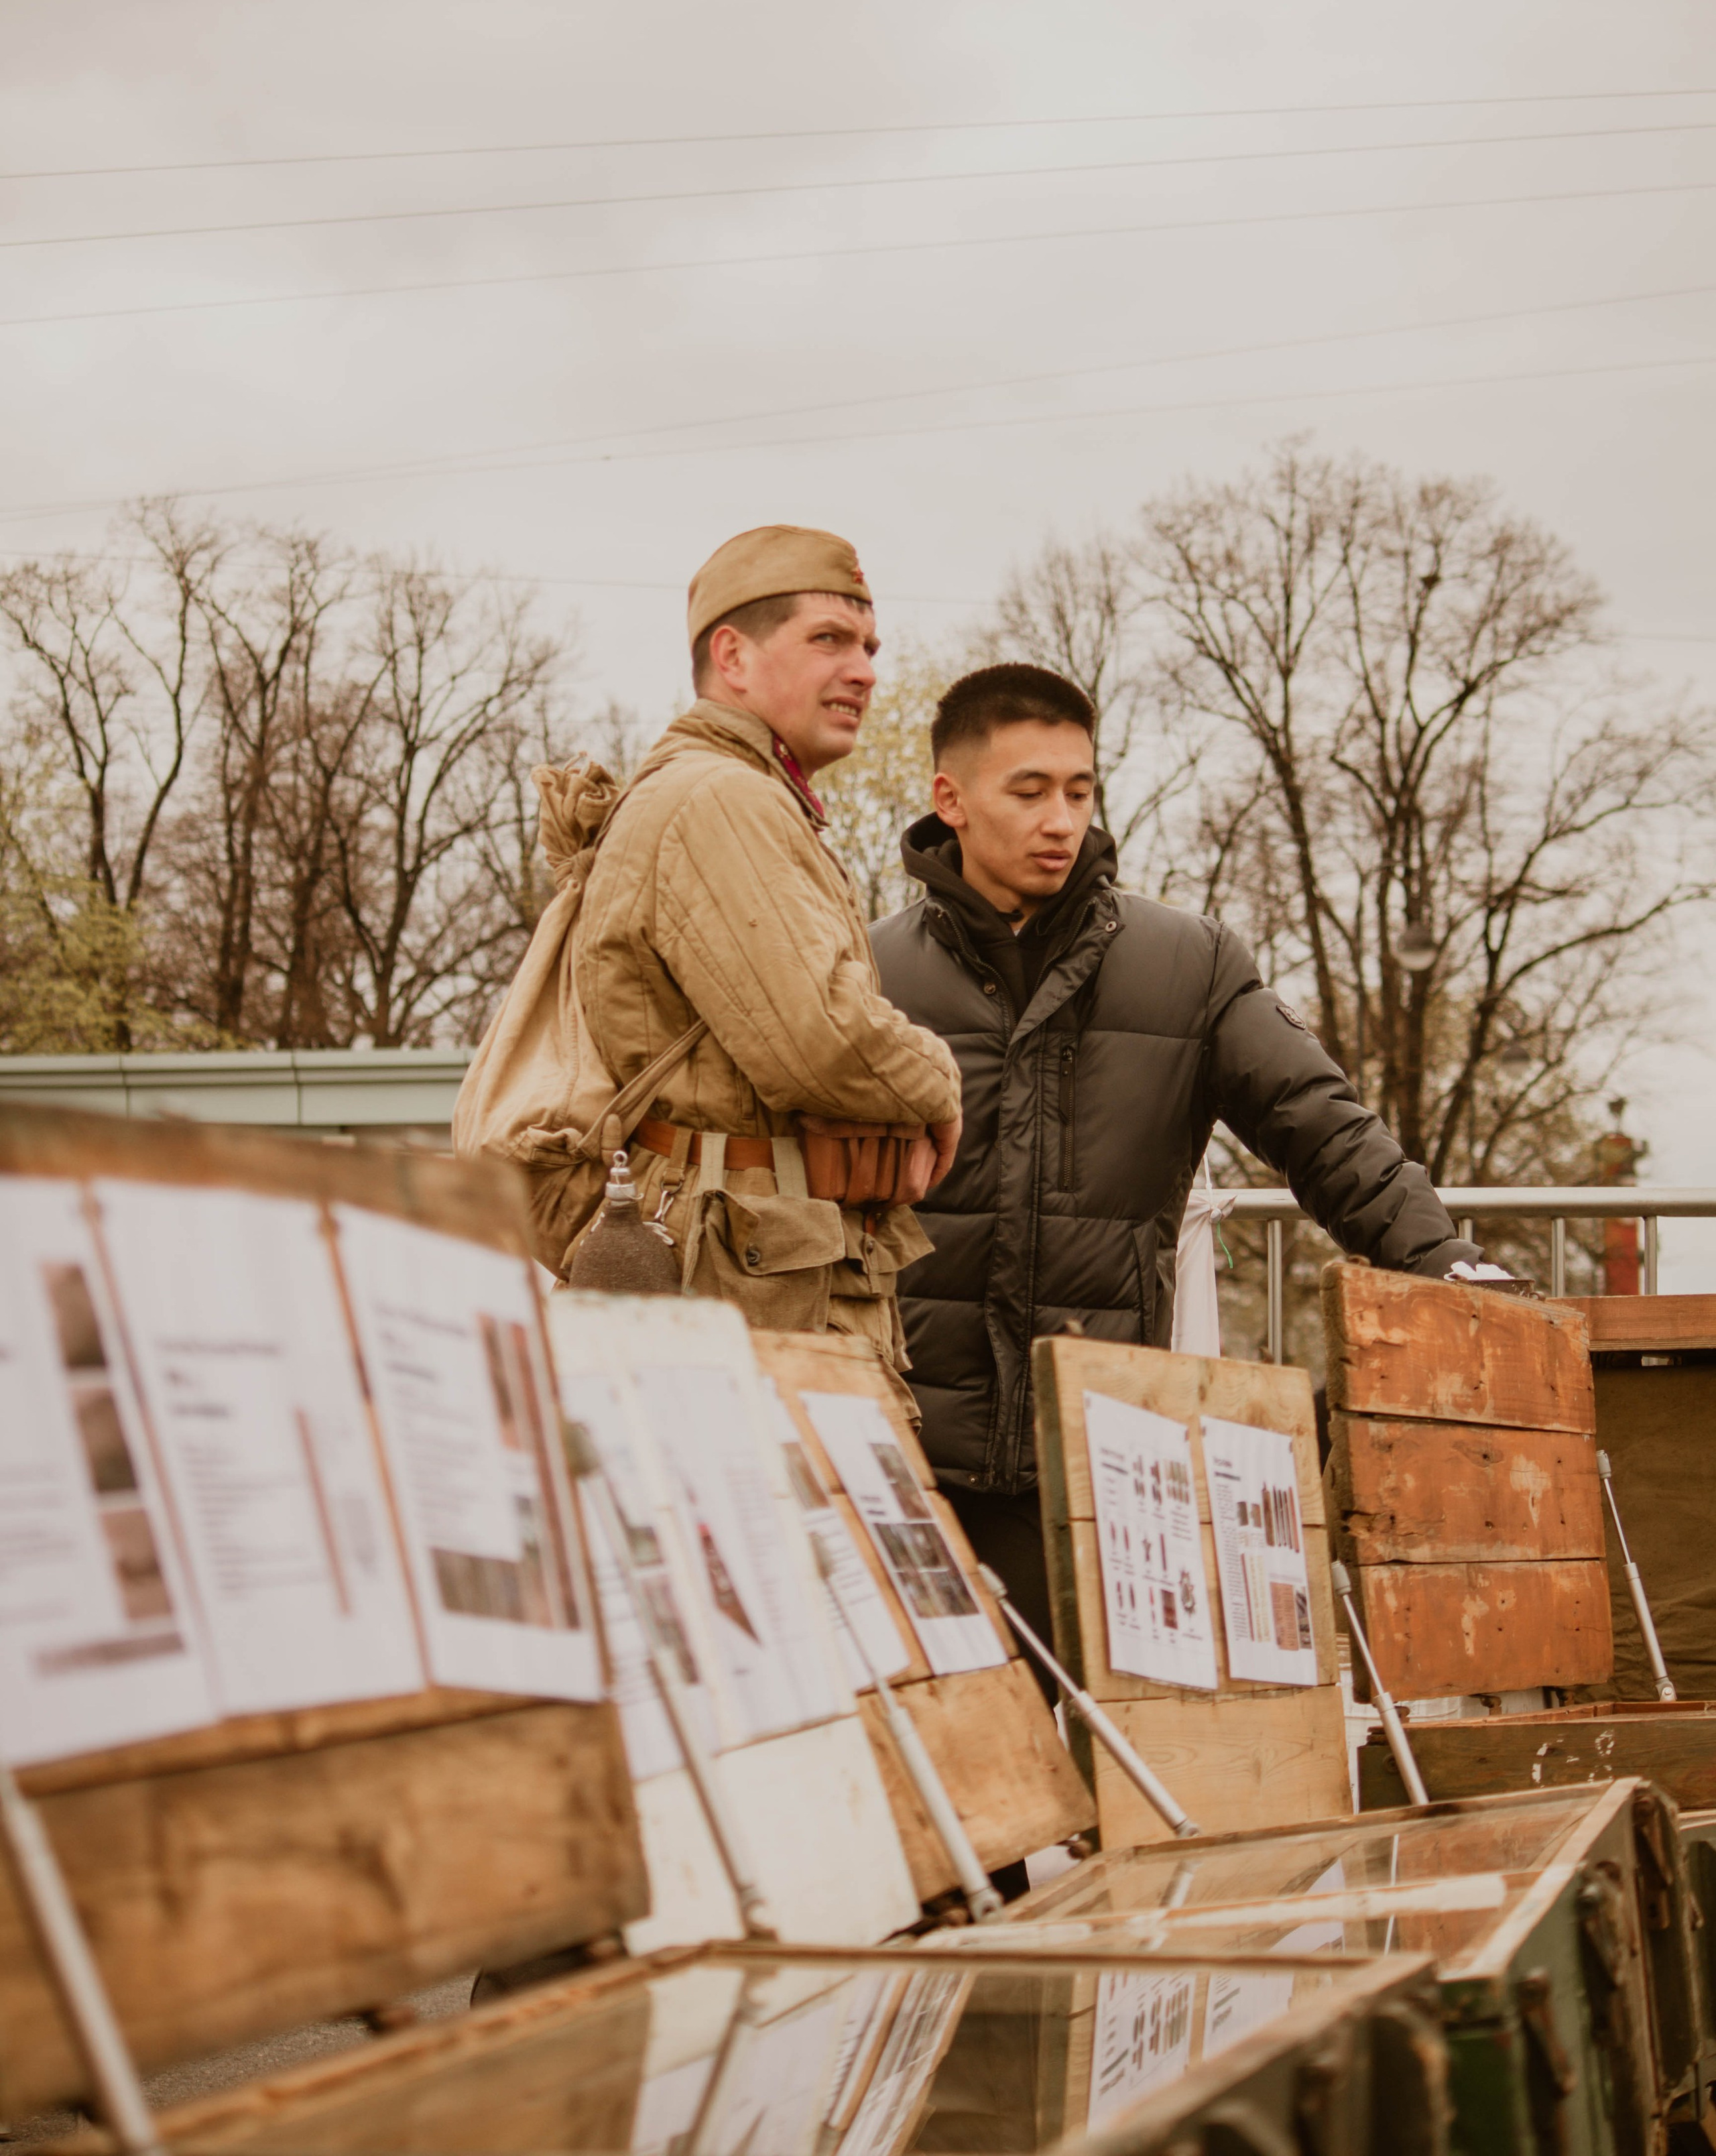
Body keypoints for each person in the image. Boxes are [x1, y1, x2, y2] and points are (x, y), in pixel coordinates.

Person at [869, 661, 1481, 1663]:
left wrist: (1441, 1259)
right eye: (1028, 791)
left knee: (1100, 1773)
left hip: (1099, 1455)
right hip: (907, 1447)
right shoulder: (870, 973)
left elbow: (1319, 1123)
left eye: (1079, 789)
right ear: (951, 799)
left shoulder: (1188, 965)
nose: (1060, 818)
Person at [568, 524, 961, 1373]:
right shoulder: (721, 798)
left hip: (756, 1271)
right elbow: (821, 1040)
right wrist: (938, 1081)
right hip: (744, 1290)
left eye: (868, 646)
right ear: (733, 657)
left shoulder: (741, 795)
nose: (863, 670)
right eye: (829, 640)